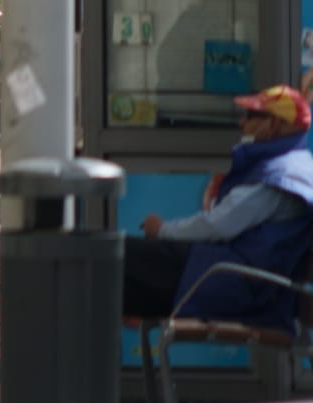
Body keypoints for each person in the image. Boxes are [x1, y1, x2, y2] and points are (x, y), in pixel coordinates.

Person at [124, 84, 313, 327]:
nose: (242, 124)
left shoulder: (279, 175)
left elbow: (218, 225)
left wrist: (162, 230)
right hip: (237, 278)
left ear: (275, 124)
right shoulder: (296, 165)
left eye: (252, 116)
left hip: (230, 282)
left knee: (115, 259)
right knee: (117, 269)